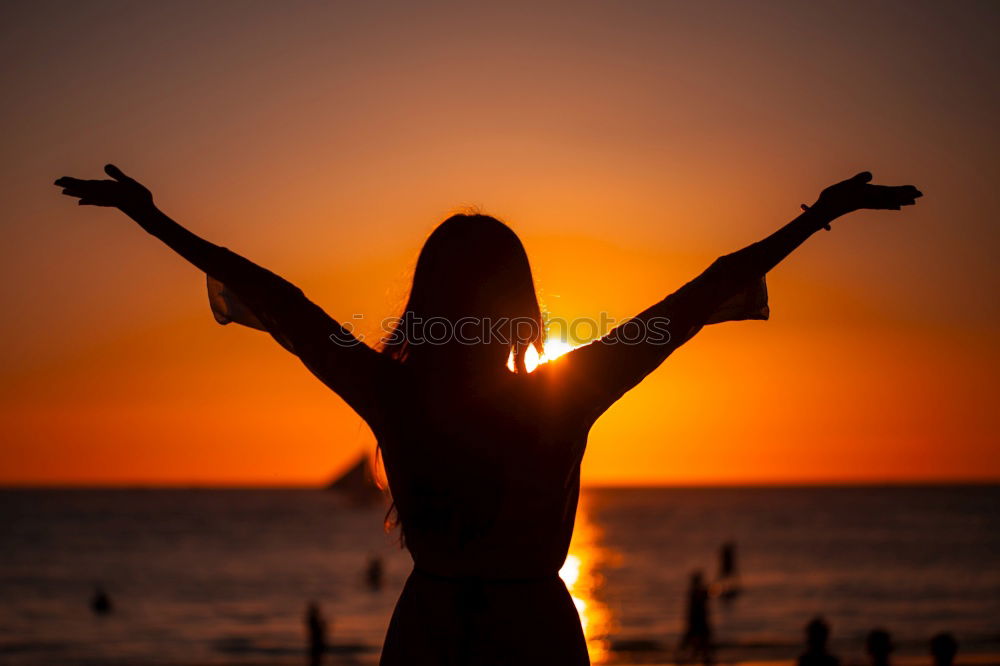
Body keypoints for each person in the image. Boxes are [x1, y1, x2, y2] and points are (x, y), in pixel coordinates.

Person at [54, 166, 921, 665]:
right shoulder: (565, 391)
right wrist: (817, 217)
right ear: (521, 302)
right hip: (529, 638)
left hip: (432, 632)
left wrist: (153, 218)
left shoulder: (393, 390)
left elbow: (278, 300)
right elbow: (695, 298)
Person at [677, 570, 713, 664]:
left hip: (697, 623)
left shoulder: (695, 592)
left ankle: (684, 659)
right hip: (698, 623)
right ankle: (683, 659)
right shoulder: (696, 592)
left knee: (698, 645)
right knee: (700, 645)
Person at [305, 601, 328, 666]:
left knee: (316, 659)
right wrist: (324, 625)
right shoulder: (313, 620)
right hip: (316, 642)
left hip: (315, 642)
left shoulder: (312, 620)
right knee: (317, 659)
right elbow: (319, 632)